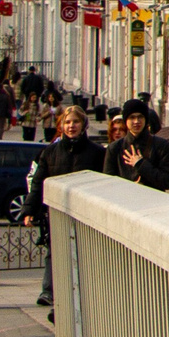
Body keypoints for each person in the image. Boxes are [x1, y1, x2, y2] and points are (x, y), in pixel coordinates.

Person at [22, 105, 107, 311]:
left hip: (87, 212)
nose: (71, 126)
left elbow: (106, 184)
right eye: (67, 123)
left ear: (83, 125)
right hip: (57, 211)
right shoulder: (50, 152)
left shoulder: (96, 153)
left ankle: (87, 290)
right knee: (55, 250)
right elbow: (39, 183)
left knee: (85, 251)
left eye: (75, 122)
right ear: (61, 126)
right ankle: (49, 291)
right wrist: (29, 210)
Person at [107, 100, 169, 190]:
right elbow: (108, 184)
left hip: (154, 201)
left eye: (140, 117)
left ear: (146, 119)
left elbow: (167, 182)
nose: (136, 121)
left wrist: (141, 165)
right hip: (124, 201)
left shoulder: (161, 145)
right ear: (126, 120)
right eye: (132, 117)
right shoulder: (115, 148)